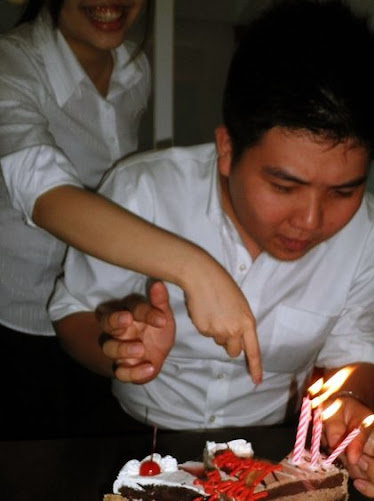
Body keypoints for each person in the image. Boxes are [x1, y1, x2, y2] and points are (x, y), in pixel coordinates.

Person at [50, 0, 374, 497]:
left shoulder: (368, 231)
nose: (310, 221)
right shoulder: (143, 191)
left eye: (343, 191)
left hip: (271, 451)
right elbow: (72, 315)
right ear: (227, 149)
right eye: (283, 186)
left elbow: (360, 348)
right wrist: (123, 349)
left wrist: (348, 404)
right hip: (127, 435)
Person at [0, 0, 261, 433]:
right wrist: (197, 270)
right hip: (19, 318)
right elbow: (47, 197)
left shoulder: (132, 70)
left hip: (99, 306)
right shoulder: (11, 65)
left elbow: (129, 190)